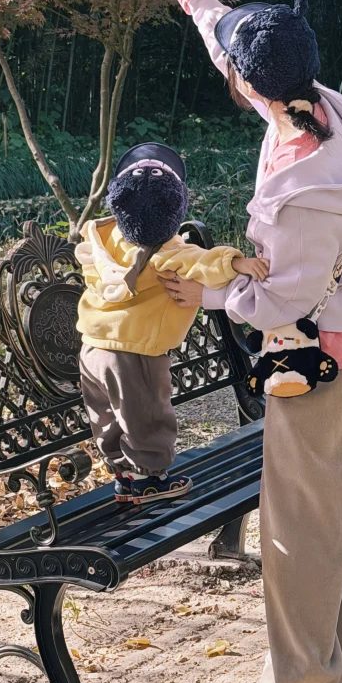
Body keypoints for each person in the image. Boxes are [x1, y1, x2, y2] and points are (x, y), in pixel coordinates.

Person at [150, 0, 342, 683]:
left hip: (318, 355)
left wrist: (207, 292)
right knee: (334, 508)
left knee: (297, 528)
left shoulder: (306, 190)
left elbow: (283, 298)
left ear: (256, 88)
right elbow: (233, 42)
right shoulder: (313, 100)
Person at [77, 141, 269, 506]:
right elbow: (206, 264)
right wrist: (238, 262)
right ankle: (150, 479)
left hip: (92, 349)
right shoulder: (170, 252)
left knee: (108, 415)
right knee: (147, 416)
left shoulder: (101, 241)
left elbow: (86, 258)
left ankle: (123, 475)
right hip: (136, 352)